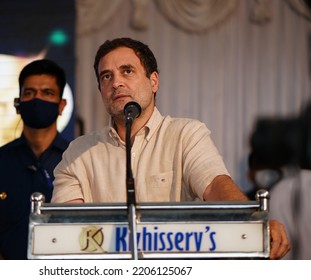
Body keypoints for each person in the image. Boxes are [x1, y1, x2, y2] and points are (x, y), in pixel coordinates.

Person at [52, 37, 290, 259]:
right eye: (106, 77)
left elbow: (216, 184)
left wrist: (255, 220)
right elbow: (67, 229)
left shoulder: (185, 134)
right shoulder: (77, 153)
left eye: (127, 71)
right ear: (101, 91)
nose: (116, 83)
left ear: (153, 81)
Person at [0, 59, 70, 259]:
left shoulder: (79, 160)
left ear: (61, 105)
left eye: (47, 93)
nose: (37, 99)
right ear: (17, 104)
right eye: (29, 93)